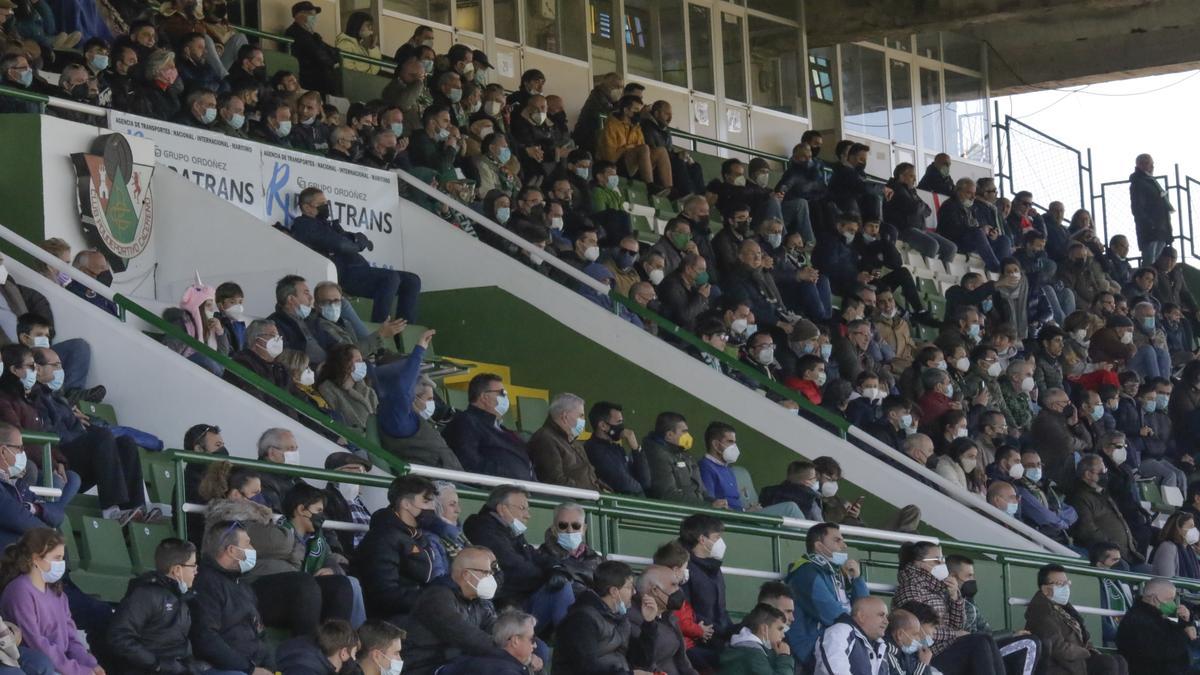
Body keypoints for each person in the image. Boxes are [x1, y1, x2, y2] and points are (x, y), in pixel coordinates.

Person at [3, 344, 146, 523]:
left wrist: (86, 430)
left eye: (61, 366)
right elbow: (50, 434)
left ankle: (135, 508)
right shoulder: (36, 397)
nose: (60, 370)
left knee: (126, 442)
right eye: (55, 366)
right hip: (61, 453)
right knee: (101, 437)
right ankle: (111, 510)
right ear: (38, 370)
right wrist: (75, 447)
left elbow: (76, 428)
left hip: (74, 454)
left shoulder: (59, 398)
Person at [289, 187, 422, 324]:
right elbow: (340, 244)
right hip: (345, 274)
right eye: (321, 204)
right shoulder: (303, 224)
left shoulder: (328, 224)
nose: (326, 207)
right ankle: (380, 328)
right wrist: (357, 245)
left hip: (360, 270)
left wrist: (354, 240)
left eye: (326, 203)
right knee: (390, 278)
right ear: (306, 207)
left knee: (412, 280)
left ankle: (405, 330)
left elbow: (350, 238)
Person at [462, 485, 574, 630]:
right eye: (523, 508)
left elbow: (537, 557)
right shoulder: (483, 529)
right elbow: (514, 567)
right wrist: (547, 576)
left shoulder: (510, 530)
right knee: (561, 588)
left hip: (521, 600)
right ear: (502, 509)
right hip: (504, 608)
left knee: (565, 586)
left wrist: (556, 568)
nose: (528, 515)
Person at [893, 541, 1006, 675]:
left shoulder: (939, 587)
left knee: (985, 639)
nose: (942, 564)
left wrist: (955, 598)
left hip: (948, 647)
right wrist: (954, 634)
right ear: (919, 563)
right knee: (979, 642)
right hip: (927, 654)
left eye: (943, 560)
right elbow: (918, 631)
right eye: (937, 560)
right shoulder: (910, 589)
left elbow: (958, 625)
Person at [0, 528, 100, 675]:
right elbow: (37, 644)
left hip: (63, 665)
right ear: (36, 558)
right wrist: (78, 671)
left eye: (62, 558)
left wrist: (90, 664)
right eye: (57, 558)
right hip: (42, 666)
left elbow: (72, 637)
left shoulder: (58, 593)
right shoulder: (19, 591)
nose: (61, 564)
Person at [400, 545, 509, 675]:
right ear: (466, 575)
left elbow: (496, 628)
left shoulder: (474, 599)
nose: (491, 577)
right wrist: (510, 650)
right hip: (426, 668)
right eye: (486, 573)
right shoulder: (436, 598)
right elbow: (468, 637)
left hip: (454, 662)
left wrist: (521, 639)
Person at [106, 538, 203, 675]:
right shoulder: (145, 595)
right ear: (177, 570)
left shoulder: (183, 596)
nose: (196, 571)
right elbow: (119, 637)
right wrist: (157, 664)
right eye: (193, 565)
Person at [353, 475, 440, 622]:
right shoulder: (382, 538)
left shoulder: (415, 535)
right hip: (389, 621)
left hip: (415, 611)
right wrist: (431, 601)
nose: (432, 508)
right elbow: (385, 593)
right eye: (426, 502)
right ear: (406, 504)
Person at [785, 522, 869, 666]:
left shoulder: (836, 572)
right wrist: (865, 626)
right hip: (811, 651)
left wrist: (857, 580)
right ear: (819, 546)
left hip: (835, 645)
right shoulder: (806, 573)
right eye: (837, 540)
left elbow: (866, 609)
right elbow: (832, 614)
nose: (844, 546)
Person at [552, 560, 658, 675]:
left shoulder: (620, 619)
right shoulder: (581, 620)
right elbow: (586, 669)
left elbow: (642, 661)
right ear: (613, 591)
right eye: (628, 587)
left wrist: (649, 623)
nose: (634, 592)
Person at [1024, 564, 1129, 675]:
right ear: (1045, 589)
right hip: (1061, 666)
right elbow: (1059, 649)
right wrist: (1085, 652)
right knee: (1108, 663)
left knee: (1119, 660)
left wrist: (1090, 650)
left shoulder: (1064, 608)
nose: (1066, 587)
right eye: (1060, 584)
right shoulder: (1041, 613)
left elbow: (1084, 637)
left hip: (1077, 660)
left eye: (1067, 583)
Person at [442, 373, 535, 481]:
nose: (506, 398)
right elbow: (469, 463)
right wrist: (507, 476)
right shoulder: (466, 422)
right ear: (484, 397)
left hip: (526, 489)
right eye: (502, 393)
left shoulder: (502, 429)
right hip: (497, 490)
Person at [680, 513, 733, 668]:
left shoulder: (715, 569)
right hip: (698, 641)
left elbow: (721, 610)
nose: (721, 542)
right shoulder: (685, 569)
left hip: (718, 638)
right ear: (702, 539)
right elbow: (686, 611)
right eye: (716, 537)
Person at [1067, 454, 1141, 564]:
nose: (1105, 474)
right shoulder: (1080, 498)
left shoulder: (1102, 492)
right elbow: (1087, 530)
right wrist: (1113, 548)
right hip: (1105, 556)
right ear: (1088, 474)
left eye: (1105, 470)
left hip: (1126, 554)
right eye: (1101, 472)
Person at [1114, 577, 1194, 675]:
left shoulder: (1154, 616)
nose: (1173, 604)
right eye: (1169, 599)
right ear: (1153, 598)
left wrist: (1186, 622)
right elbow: (1167, 650)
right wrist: (1186, 634)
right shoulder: (1138, 621)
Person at [529, 393, 606, 490]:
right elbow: (555, 481)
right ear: (565, 417)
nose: (583, 420)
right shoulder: (545, 439)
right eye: (581, 416)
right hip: (572, 501)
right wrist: (590, 491)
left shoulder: (574, 442)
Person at [597, 95, 670, 195]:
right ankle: (650, 186)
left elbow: (643, 152)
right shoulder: (612, 126)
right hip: (616, 167)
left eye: (640, 110)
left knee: (661, 151)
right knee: (644, 148)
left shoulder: (636, 127)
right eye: (636, 109)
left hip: (634, 166)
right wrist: (627, 148)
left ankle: (669, 189)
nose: (639, 113)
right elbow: (610, 159)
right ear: (626, 110)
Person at [644, 412, 720, 507]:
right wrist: (706, 506)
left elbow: (702, 491)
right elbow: (668, 495)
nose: (688, 435)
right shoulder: (658, 456)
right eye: (684, 431)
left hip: (698, 510)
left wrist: (714, 503)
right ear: (669, 435)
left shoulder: (684, 454)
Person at [436, 610, 541, 674]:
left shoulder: (481, 658)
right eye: (532, 639)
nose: (535, 645)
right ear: (515, 641)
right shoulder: (505, 671)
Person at [583, 401, 651, 496]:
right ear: (603, 426)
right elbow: (626, 485)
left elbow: (646, 482)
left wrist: (636, 449)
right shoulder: (594, 449)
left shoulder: (616, 448)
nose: (622, 427)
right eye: (618, 422)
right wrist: (642, 497)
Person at [812, 597, 888, 675]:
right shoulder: (840, 631)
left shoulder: (880, 645)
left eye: (886, 617)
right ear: (861, 616)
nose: (886, 621)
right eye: (881, 615)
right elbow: (836, 669)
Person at [315, 343, 378, 436]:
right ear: (344, 363)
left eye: (362, 360)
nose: (363, 364)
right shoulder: (327, 389)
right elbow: (335, 422)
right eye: (358, 361)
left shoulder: (367, 389)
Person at [320, 451, 372, 552]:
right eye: (355, 469)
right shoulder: (324, 500)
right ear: (334, 474)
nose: (361, 475)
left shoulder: (359, 503)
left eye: (363, 471)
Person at [284, 1, 338, 94]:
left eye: (315, 15)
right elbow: (316, 53)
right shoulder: (293, 32)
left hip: (318, 77)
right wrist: (332, 63)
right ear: (298, 16)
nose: (314, 18)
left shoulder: (313, 35)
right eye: (310, 14)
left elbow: (332, 50)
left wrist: (334, 58)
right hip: (306, 77)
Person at [1129, 154, 1172, 266]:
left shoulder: (1150, 181)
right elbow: (1137, 208)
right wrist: (1150, 224)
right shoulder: (1139, 182)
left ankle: (1153, 280)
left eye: (1152, 163)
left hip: (1160, 228)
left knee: (1156, 261)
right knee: (1149, 262)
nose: (1152, 166)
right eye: (1149, 163)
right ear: (1140, 165)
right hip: (1150, 230)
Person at [275, 619, 361, 675]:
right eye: (354, 654)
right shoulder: (306, 669)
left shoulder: (308, 651)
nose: (354, 660)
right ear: (344, 653)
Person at [1149, 511, 1200, 579]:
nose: (1194, 530)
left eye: (1194, 527)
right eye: (1191, 527)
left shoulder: (1190, 550)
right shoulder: (1167, 548)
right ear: (1178, 529)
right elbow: (1168, 580)